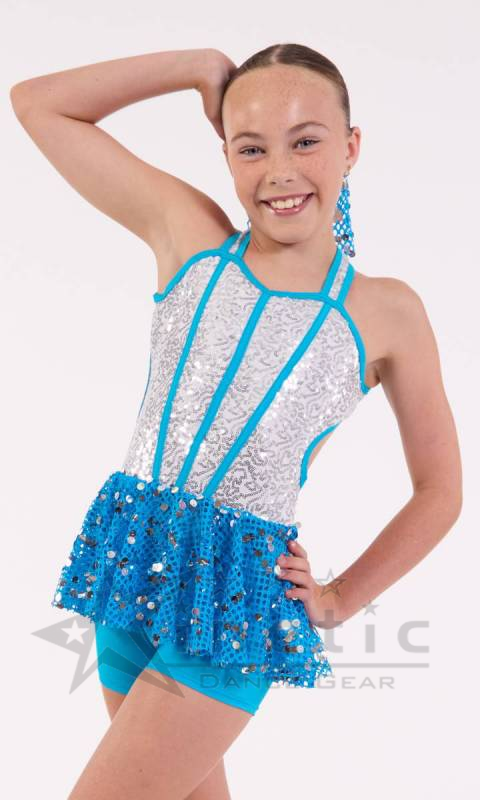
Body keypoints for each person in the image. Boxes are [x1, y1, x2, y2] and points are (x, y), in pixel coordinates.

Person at [10, 43, 462, 800]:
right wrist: (194, 66)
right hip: (133, 552)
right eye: (250, 148)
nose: (279, 171)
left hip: (236, 591)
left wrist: (338, 598)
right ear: (225, 155)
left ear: (352, 147)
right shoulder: (189, 237)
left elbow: (440, 490)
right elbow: (37, 103)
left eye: (306, 141)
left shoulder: (385, 310)